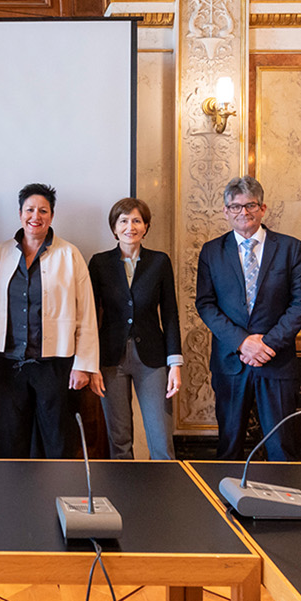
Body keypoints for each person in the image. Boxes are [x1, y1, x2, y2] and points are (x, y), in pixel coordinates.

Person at [195, 176, 301, 461]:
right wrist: (243, 342)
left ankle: (285, 505)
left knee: (281, 448)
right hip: (231, 363)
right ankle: (225, 506)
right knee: (229, 445)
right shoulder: (212, 251)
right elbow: (206, 304)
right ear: (225, 211)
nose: (243, 213)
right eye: (235, 207)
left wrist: (267, 344)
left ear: (263, 208)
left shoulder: (290, 248)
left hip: (277, 361)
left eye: (250, 205)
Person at [0, 183, 102, 458]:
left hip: (55, 364)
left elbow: (86, 312)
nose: (35, 216)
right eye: (29, 210)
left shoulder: (69, 254)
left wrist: (84, 366)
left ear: (51, 216)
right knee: (9, 439)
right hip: (9, 362)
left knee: (57, 439)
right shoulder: (3, 252)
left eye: (43, 210)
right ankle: (9, 497)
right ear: (19, 213)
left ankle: (55, 496)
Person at [88, 197, 182, 460]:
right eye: (124, 221)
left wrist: (175, 364)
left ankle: (164, 498)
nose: (131, 226)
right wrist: (91, 365)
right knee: (119, 441)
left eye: (137, 221)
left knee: (161, 441)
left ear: (146, 226)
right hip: (110, 359)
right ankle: (125, 497)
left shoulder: (159, 262)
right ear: (114, 227)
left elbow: (171, 314)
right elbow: (90, 316)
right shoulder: (99, 263)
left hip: (152, 358)